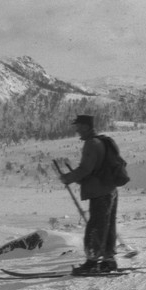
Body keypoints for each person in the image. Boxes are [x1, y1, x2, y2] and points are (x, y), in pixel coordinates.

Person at [60, 114, 119, 274]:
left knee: (96, 226)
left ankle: (92, 262)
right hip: (110, 189)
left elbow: (86, 169)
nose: (77, 129)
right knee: (107, 225)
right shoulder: (101, 141)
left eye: (78, 126)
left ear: (86, 126)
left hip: (100, 192)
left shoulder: (91, 144)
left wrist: (68, 178)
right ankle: (108, 260)